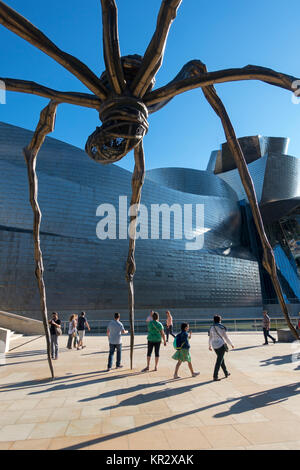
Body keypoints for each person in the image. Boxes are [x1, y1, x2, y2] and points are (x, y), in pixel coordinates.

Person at [209, 315, 234, 381]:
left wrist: (209, 345)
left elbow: (210, 337)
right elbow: (226, 337)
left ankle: (226, 372)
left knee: (221, 359)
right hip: (221, 345)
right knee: (219, 360)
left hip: (214, 346)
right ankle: (215, 376)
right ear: (220, 320)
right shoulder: (222, 327)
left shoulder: (211, 327)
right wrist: (231, 344)